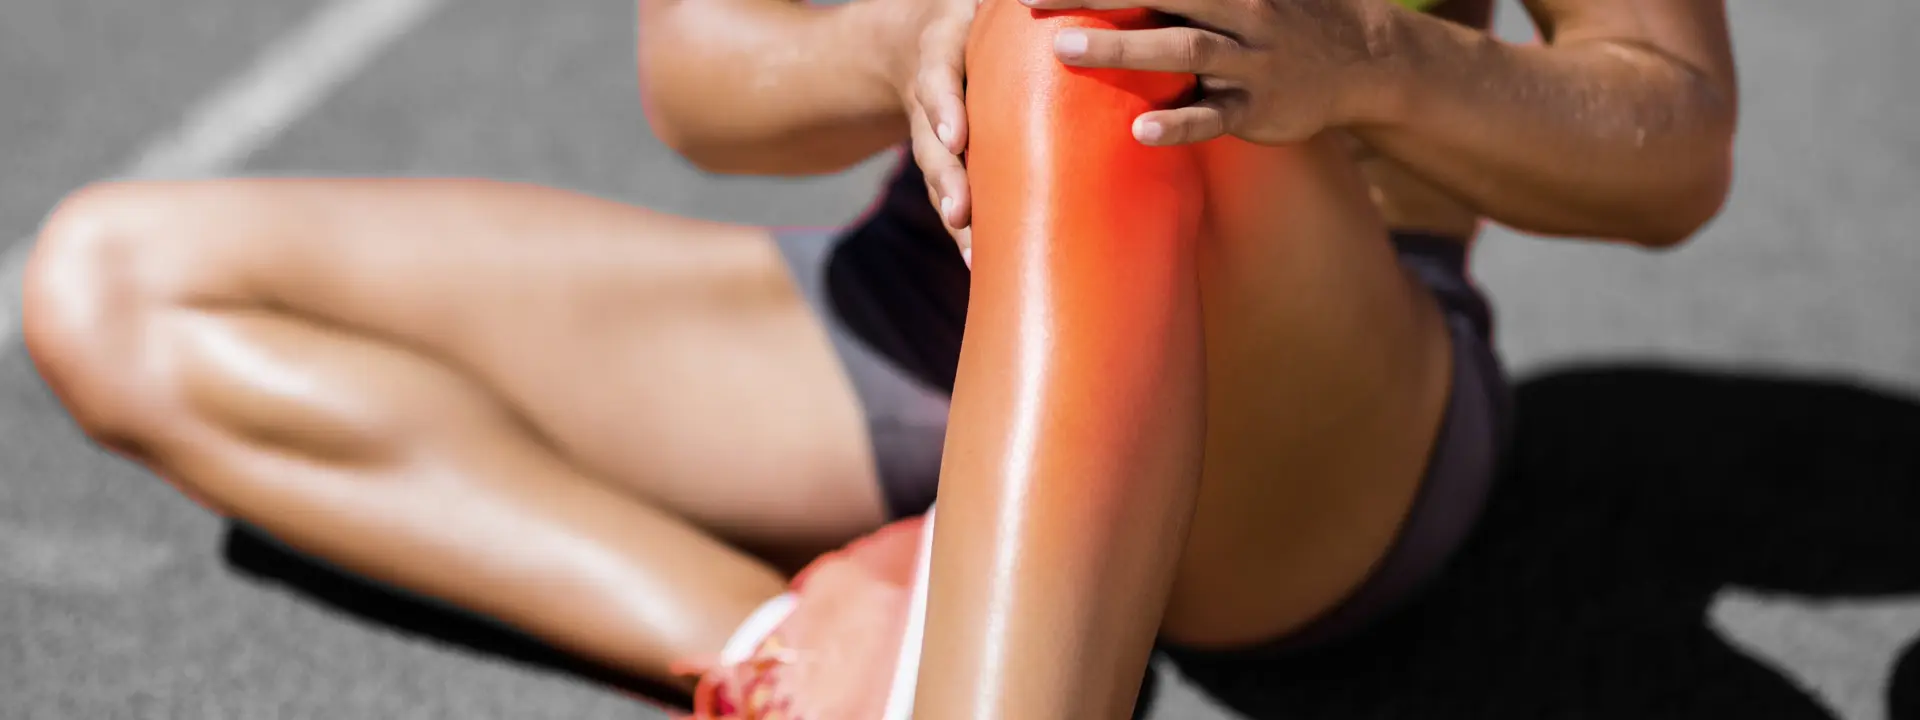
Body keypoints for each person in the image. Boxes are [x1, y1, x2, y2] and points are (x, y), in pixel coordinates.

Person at [19, 0, 1736, 715]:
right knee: (117, 285)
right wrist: (909, 38)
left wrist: (1368, 60)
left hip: (1300, 407)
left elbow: (1672, 136)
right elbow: (703, 69)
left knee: (1095, 25)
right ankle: (795, 649)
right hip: (928, 306)